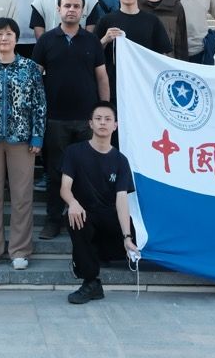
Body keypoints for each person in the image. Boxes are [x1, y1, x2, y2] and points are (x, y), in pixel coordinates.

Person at [33, 0, 109, 240]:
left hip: (86, 119)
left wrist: (104, 111)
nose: (72, 10)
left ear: (83, 11)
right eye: (67, 6)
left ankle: (86, 221)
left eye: (77, 6)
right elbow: (35, 78)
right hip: (55, 118)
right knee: (55, 172)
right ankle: (53, 220)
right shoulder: (46, 41)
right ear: (58, 9)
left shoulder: (92, 41)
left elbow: (101, 77)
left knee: (87, 172)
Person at [0, 17, 46, 270]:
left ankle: (19, 250)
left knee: (22, 196)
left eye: (9, 34)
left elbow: (39, 103)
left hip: (22, 140)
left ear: (16, 38)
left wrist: (37, 135)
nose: (4, 38)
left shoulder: (29, 67)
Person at [61, 103, 137, 305]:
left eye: (108, 119)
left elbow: (122, 199)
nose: (103, 123)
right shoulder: (74, 152)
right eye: (98, 118)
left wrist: (127, 237)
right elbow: (64, 187)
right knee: (74, 217)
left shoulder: (121, 161)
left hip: (108, 219)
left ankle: (96, 255)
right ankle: (91, 282)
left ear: (115, 126)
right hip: (85, 215)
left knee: (133, 232)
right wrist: (72, 202)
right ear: (90, 123)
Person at [95, 0, 172, 102]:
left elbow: (163, 55)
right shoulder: (106, 21)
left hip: (145, 86)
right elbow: (93, 54)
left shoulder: (152, 21)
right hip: (115, 88)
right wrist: (105, 40)